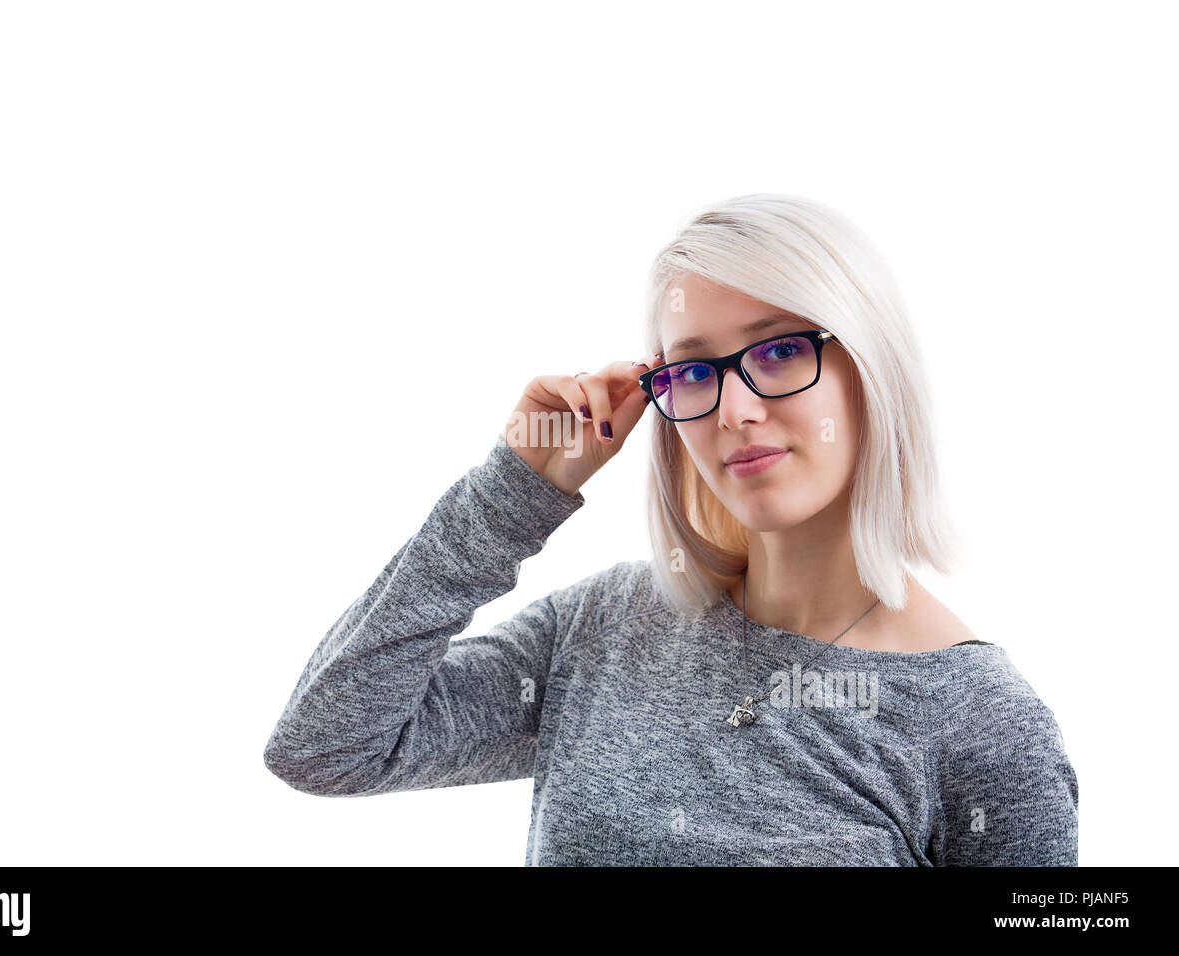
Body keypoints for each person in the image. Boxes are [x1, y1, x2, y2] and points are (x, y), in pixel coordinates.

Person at [263, 193, 1078, 865]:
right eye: (693, 371)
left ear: (873, 367)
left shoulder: (981, 725)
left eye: (781, 352)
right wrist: (510, 494)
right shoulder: (605, 627)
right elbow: (326, 744)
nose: (733, 410)